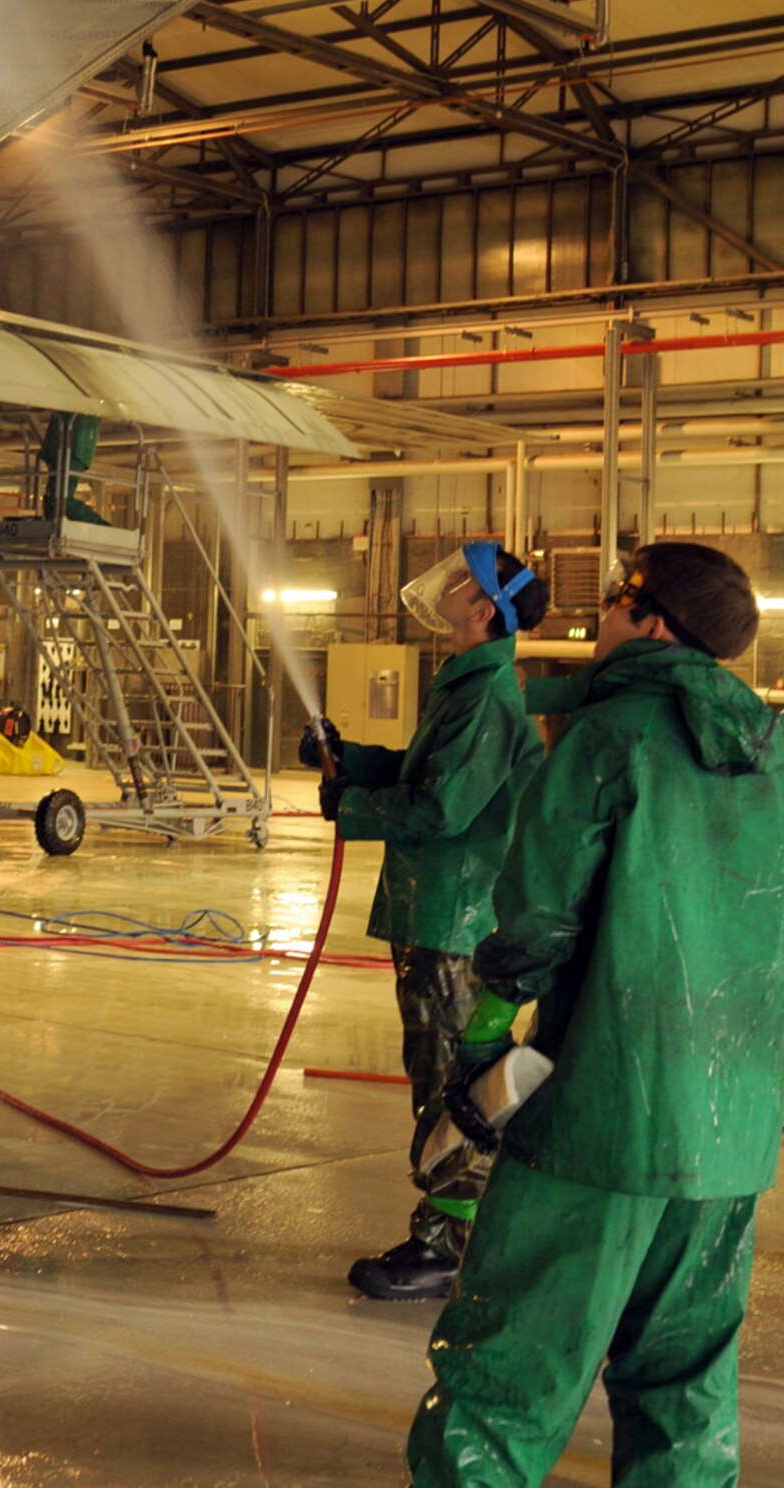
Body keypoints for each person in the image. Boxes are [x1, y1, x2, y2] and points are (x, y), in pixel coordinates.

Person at [406, 541, 784, 1487]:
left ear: (651, 621)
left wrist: (489, 1033)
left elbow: (535, 918)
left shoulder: (608, 737)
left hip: (599, 1124)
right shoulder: (778, 755)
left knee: (506, 1378)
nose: (600, 619)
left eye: (616, 599)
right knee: (684, 1391)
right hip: (731, 1136)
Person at [303, 542, 549, 1300]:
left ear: (484, 611)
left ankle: (445, 1246)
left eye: (462, 581)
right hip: (440, 909)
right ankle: (469, 1236)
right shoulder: (466, 684)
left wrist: (353, 806)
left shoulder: (483, 696)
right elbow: (425, 770)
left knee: (451, 1088)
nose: (444, 586)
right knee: (447, 1079)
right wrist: (356, 763)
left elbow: (441, 808)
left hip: (454, 918)